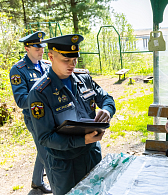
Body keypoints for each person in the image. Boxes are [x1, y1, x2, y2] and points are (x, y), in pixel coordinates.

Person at [27, 34, 116, 195]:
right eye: (66, 60)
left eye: (74, 59)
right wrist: (82, 139)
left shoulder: (83, 79)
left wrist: (107, 110)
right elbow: (45, 137)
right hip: (65, 164)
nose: (72, 65)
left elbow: (107, 98)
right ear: (51, 56)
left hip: (91, 154)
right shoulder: (40, 92)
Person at [9, 31, 52, 193]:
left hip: (52, 116)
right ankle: (57, 185)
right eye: (36, 47)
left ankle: (36, 182)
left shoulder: (47, 65)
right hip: (36, 119)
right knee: (47, 153)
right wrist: (45, 101)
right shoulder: (18, 70)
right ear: (27, 48)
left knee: (44, 149)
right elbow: (21, 101)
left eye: (42, 46)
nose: (41, 50)